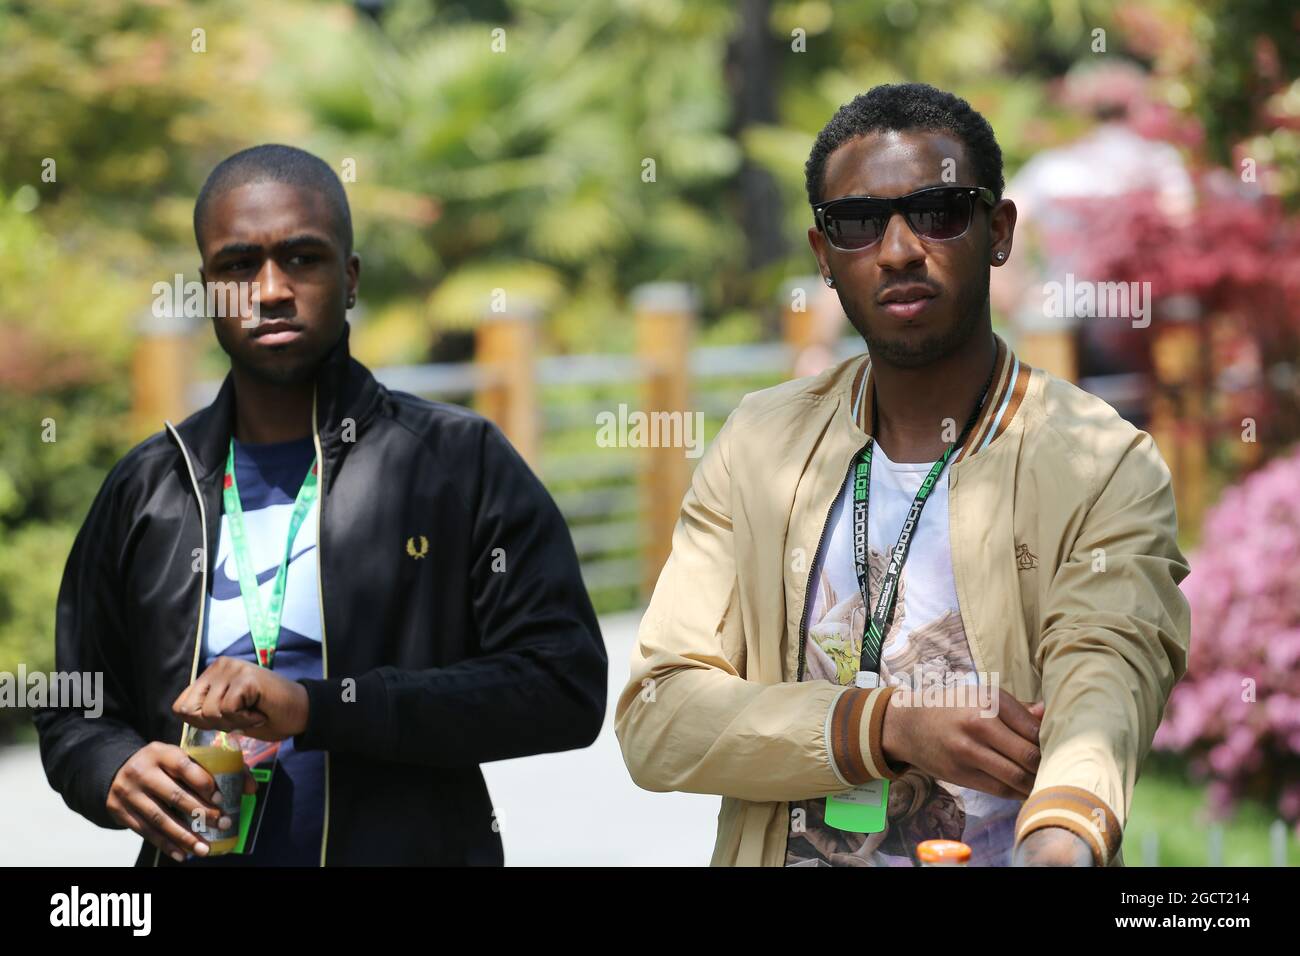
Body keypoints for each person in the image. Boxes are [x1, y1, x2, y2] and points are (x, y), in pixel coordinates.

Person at [616, 84, 1190, 867]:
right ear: (824, 258)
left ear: (999, 231)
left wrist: (1063, 833)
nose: (897, 249)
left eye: (939, 211)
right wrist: (884, 725)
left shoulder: (1100, 461)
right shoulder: (759, 445)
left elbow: (1110, 668)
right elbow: (659, 715)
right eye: (857, 224)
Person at [35, 144, 607, 866]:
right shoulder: (149, 485)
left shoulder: (457, 461)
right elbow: (72, 701)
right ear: (208, 286)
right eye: (239, 265)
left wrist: (319, 708)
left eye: (302, 258)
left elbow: (563, 685)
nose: (270, 289)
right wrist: (108, 765)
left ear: (351, 277)